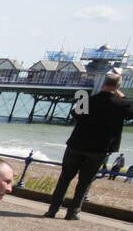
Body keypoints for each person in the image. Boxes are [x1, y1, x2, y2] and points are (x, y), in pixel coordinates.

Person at [45, 73, 133, 220]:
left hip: (77, 144)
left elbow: (75, 114)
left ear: (103, 84)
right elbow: (130, 110)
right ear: (118, 86)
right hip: (100, 149)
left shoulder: (87, 100)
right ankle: (73, 212)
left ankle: (53, 210)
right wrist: (121, 96)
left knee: (65, 178)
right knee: (84, 182)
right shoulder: (121, 104)